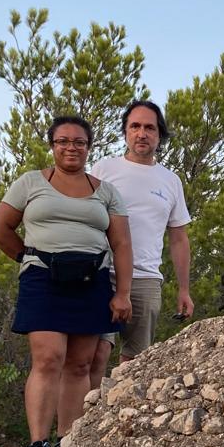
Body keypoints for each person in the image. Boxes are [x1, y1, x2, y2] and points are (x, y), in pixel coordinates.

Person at [0, 114, 133, 447]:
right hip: (43, 279)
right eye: (63, 141)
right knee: (49, 358)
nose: (71, 147)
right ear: (52, 145)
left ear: (89, 147)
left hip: (92, 281)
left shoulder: (106, 191)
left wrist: (123, 294)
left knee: (81, 363)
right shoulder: (30, 183)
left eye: (79, 142)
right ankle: (38, 446)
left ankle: (68, 442)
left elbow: (121, 243)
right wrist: (26, 257)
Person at [87, 98, 194, 386]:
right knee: (94, 354)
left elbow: (179, 238)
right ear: (125, 132)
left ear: (159, 135)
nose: (142, 133)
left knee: (135, 363)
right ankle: (83, 426)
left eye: (149, 127)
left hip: (146, 278)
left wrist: (184, 290)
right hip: (101, 273)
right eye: (135, 126)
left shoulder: (171, 181)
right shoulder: (103, 169)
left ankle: (121, 422)